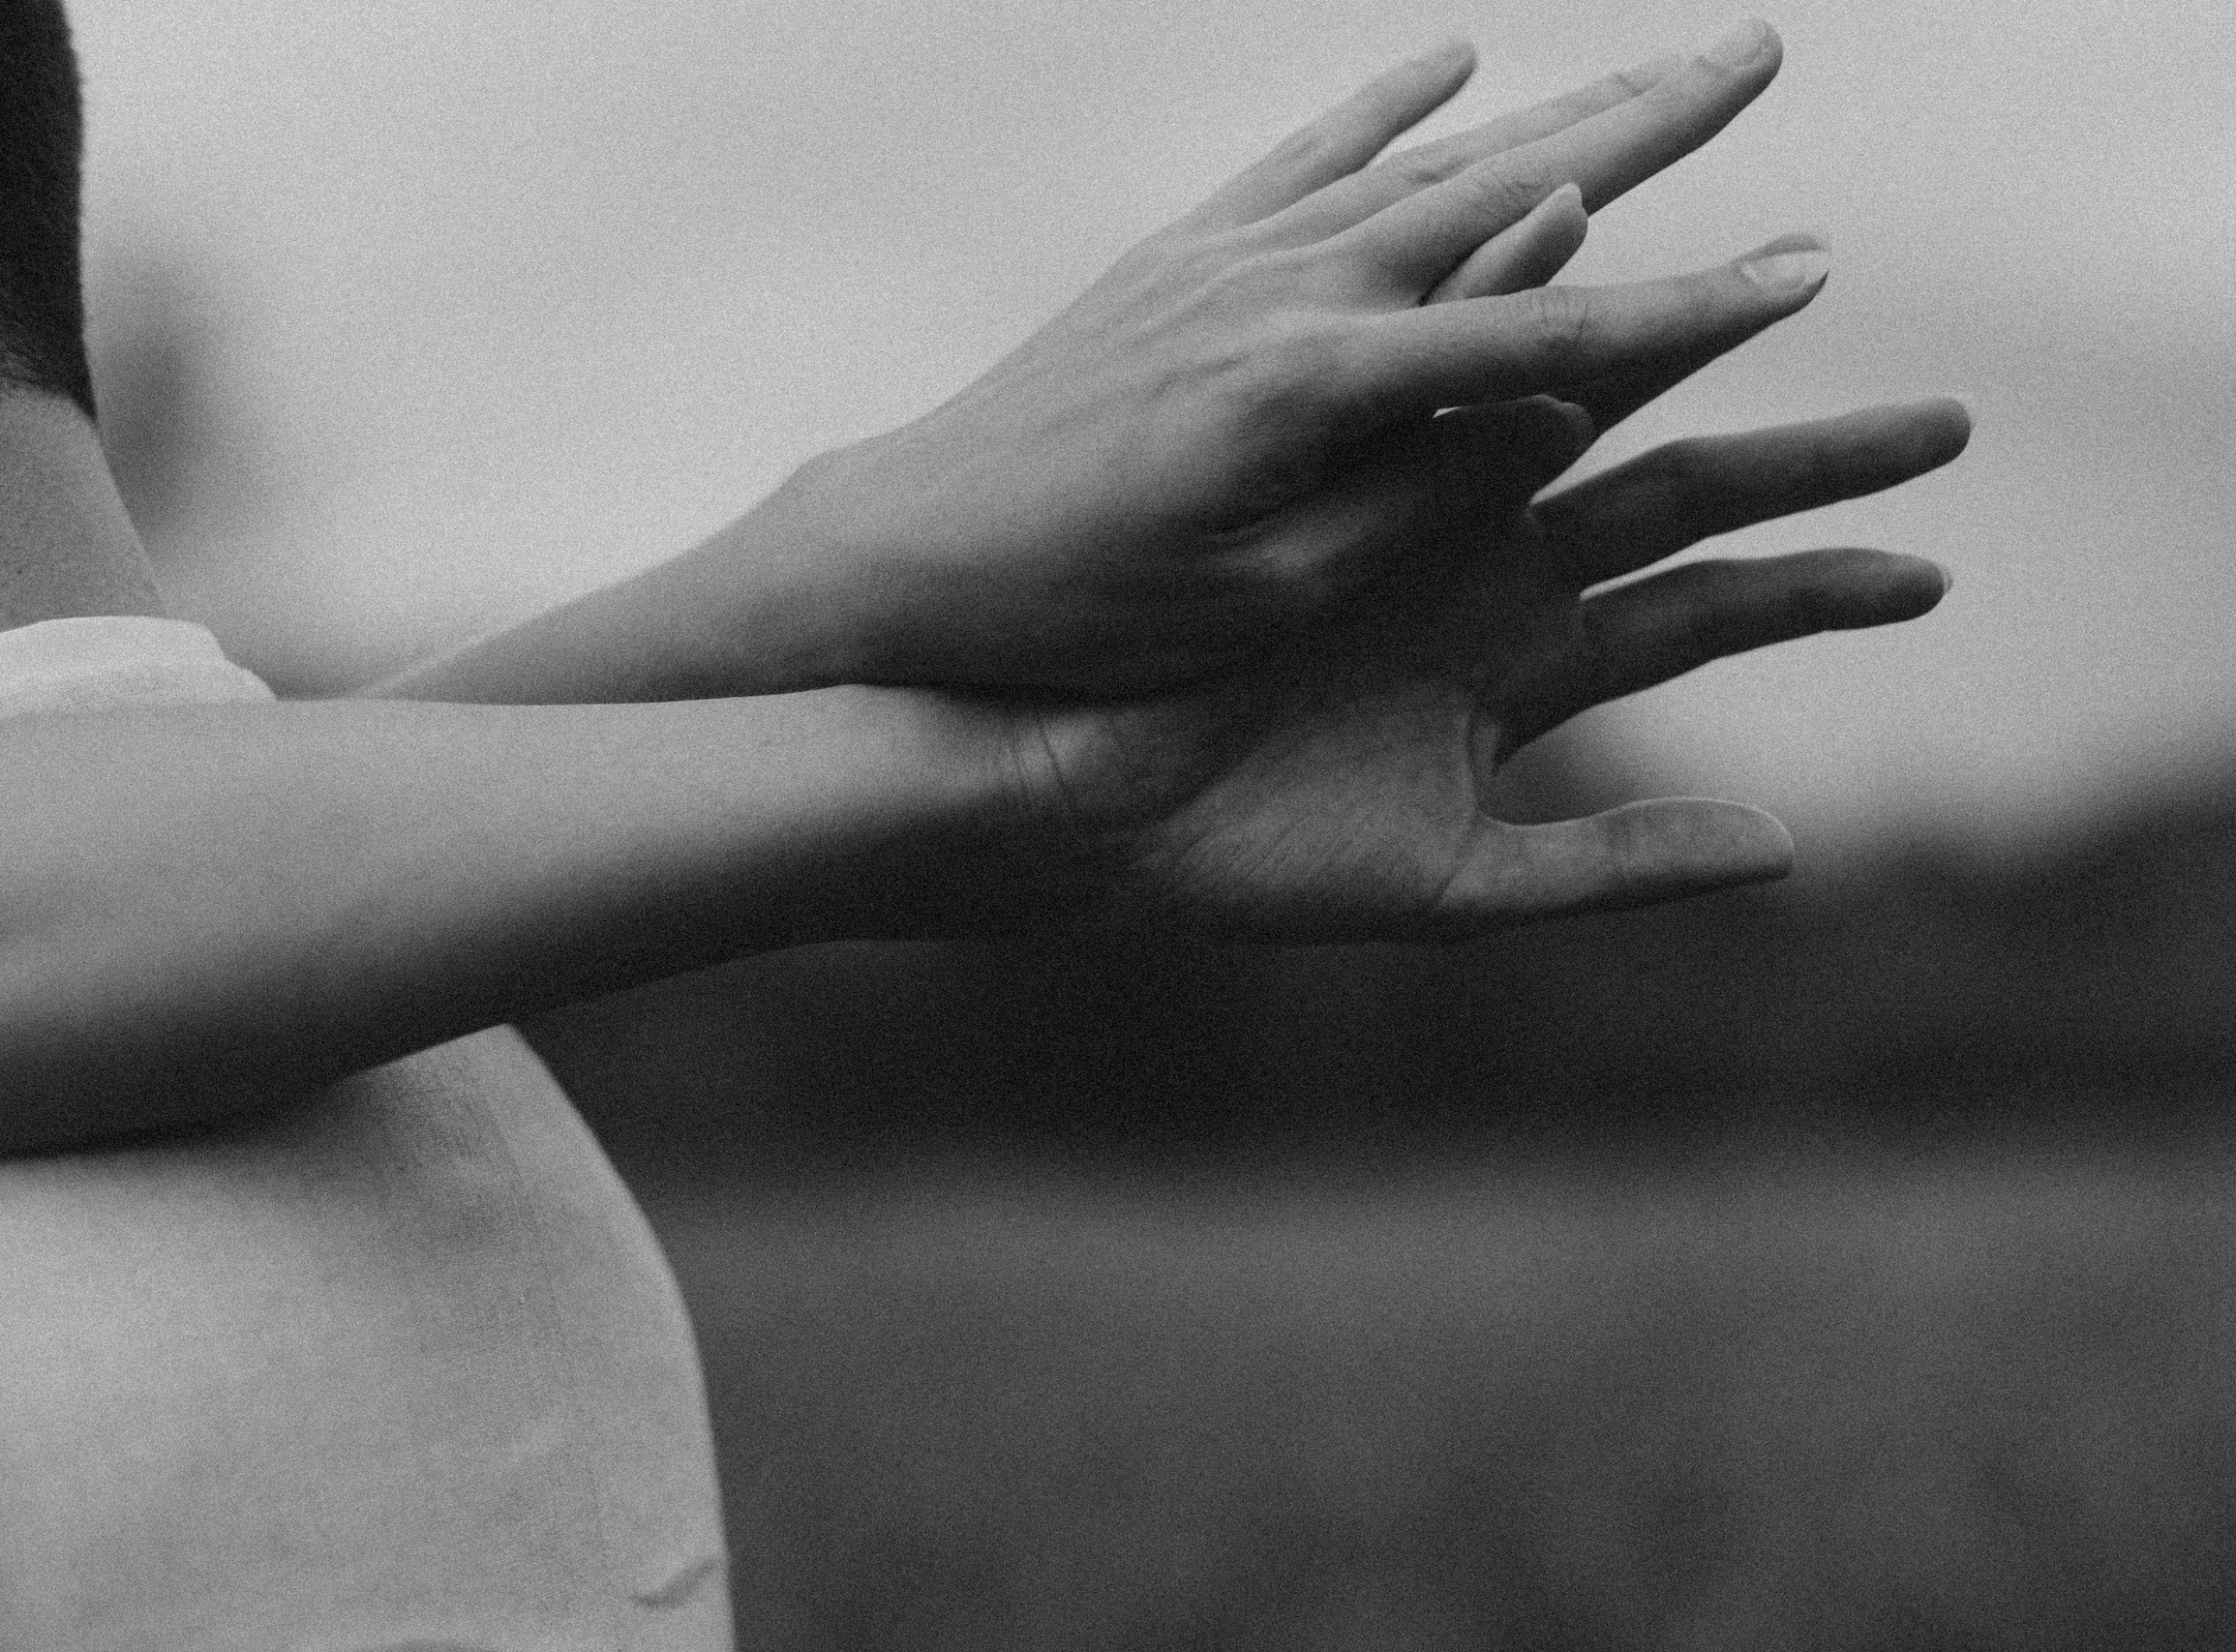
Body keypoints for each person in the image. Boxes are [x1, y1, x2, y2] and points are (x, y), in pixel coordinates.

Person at [0, 4, 1966, 1645]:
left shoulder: (202, 1029)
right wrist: (851, 631)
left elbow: (123, 866)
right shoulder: (441, 1137)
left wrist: (854, 627)